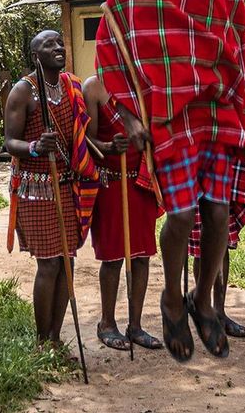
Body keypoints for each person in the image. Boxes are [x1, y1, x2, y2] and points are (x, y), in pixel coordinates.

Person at [95, 0, 245, 362]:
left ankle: (201, 299)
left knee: (218, 214)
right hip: (168, 112)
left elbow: (238, 29)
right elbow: (109, 49)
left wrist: (237, 90)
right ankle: (171, 296)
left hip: (216, 106)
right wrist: (125, 114)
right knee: (182, 214)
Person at [4, 30, 98, 346]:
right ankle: (42, 342)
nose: (58, 47)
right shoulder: (23, 91)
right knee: (49, 263)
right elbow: (9, 143)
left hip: (65, 186)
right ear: (35, 55)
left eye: (60, 42)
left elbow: (81, 134)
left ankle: (55, 339)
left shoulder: (71, 87)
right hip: (35, 189)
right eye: (49, 45)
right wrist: (33, 146)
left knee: (68, 262)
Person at [83, 75, 162, 351]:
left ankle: (136, 325)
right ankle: (107, 323)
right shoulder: (93, 87)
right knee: (113, 257)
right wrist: (108, 147)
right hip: (111, 183)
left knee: (141, 257)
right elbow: (86, 142)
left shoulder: (147, 85)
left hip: (140, 181)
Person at [187, 92, 245, 339]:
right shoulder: (188, 86)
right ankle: (204, 307)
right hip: (193, 164)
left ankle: (219, 311)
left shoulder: (236, 90)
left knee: (222, 240)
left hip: (226, 165)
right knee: (201, 241)